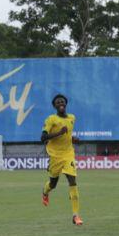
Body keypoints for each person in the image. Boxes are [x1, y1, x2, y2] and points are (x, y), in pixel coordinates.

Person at [40, 94, 83, 226]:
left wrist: (73, 139)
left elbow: (68, 135)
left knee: (73, 181)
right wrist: (59, 132)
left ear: (66, 103)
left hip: (68, 154)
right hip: (54, 155)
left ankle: (75, 215)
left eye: (62, 101)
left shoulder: (72, 118)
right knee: (53, 184)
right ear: (54, 106)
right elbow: (43, 137)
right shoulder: (51, 119)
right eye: (58, 102)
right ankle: (45, 192)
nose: (60, 103)